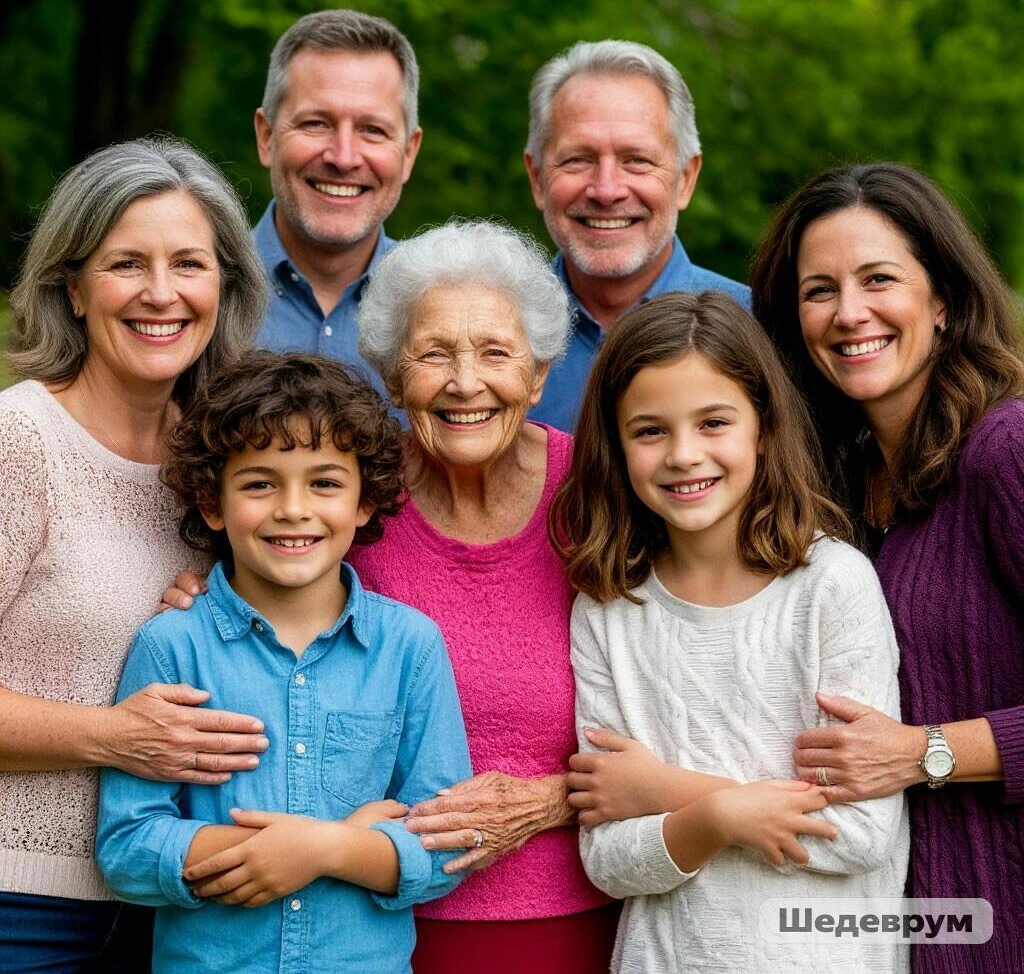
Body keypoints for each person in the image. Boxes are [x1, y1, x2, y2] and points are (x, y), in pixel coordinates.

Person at [552, 292, 909, 973]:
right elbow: (609, 861)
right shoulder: (611, 607)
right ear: (616, 444)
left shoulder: (831, 584)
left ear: (763, 428)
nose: (685, 455)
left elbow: (861, 833)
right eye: (650, 431)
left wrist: (669, 796)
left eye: (714, 422)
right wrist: (723, 816)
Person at [97, 352, 472, 974]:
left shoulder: (409, 646)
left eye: (324, 482)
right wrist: (288, 850)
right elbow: (129, 849)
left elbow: (446, 841)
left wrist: (327, 850)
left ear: (364, 502)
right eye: (259, 483)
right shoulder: (172, 646)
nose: (293, 508)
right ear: (213, 504)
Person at [0, 136, 270, 970]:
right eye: (126, 264)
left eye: (189, 263)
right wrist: (113, 735)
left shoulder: (228, 463)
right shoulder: (21, 440)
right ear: (74, 288)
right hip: (21, 904)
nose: (161, 294)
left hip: (178, 905)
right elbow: (134, 729)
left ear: (223, 286)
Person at [751, 162, 1024, 973]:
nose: (849, 313)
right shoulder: (838, 487)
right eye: (819, 290)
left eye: (879, 279)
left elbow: (907, 749)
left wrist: (928, 752)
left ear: (942, 301)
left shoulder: (1007, 454)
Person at [353, 220, 618, 972]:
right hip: (377, 919)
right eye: (434, 353)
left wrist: (544, 803)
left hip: (575, 915)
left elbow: (675, 708)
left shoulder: (600, 496)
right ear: (394, 376)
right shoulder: (349, 504)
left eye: (495, 353)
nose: (465, 382)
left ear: (537, 376)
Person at [523, 39, 749, 430]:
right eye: (578, 160)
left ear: (686, 178)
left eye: (637, 161)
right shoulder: (491, 341)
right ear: (538, 178)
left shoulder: (762, 329)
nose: (607, 190)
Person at [252, 8, 421, 400]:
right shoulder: (194, 296)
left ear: (409, 153)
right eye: (316, 123)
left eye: (372, 130)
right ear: (266, 137)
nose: (343, 158)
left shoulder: (439, 311)